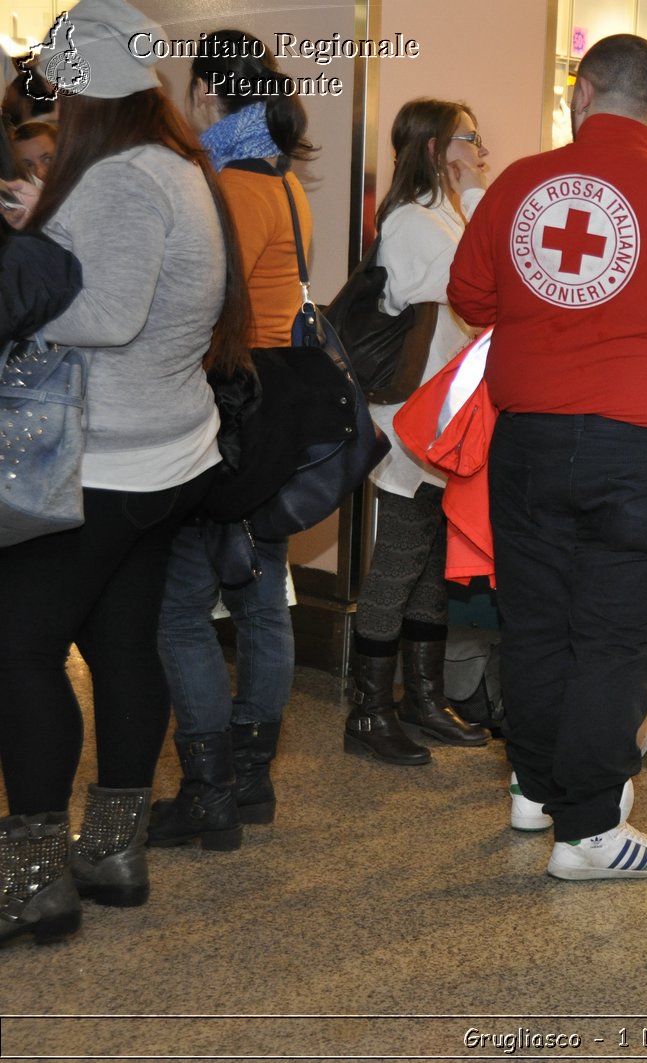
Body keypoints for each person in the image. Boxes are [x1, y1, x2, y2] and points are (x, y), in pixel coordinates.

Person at [448, 34, 647, 879]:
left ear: (580, 93)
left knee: (538, 623)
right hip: (643, 450)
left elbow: (471, 295)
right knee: (617, 637)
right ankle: (587, 828)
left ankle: (535, 787)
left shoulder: (518, 183)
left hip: (528, 442)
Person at [0, 0, 250, 927]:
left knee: (16, 654)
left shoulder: (119, 178)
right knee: (119, 648)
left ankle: (32, 882)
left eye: (62, 87)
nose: (55, 103)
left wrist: (27, 278)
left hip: (100, 463)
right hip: (165, 455)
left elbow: (107, 316)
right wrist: (46, 223)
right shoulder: (175, 166)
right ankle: (111, 855)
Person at [144, 31, 317, 850]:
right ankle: (250, 782)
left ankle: (210, 790)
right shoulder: (278, 176)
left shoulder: (232, 186)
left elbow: (210, 310)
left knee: (179, 608)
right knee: (262, 599)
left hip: (228, 414)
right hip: (275, 415)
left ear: (209, 89)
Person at [344, 98, 493, 765]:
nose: (480, 147)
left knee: (431, 563)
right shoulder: (411, 222)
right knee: (398, 563)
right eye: (469, 137)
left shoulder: (450, 214)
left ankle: (423, 699)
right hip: (410, 422)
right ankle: (368, 710)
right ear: (434, 147)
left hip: (448, 419)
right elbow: (470, 290)